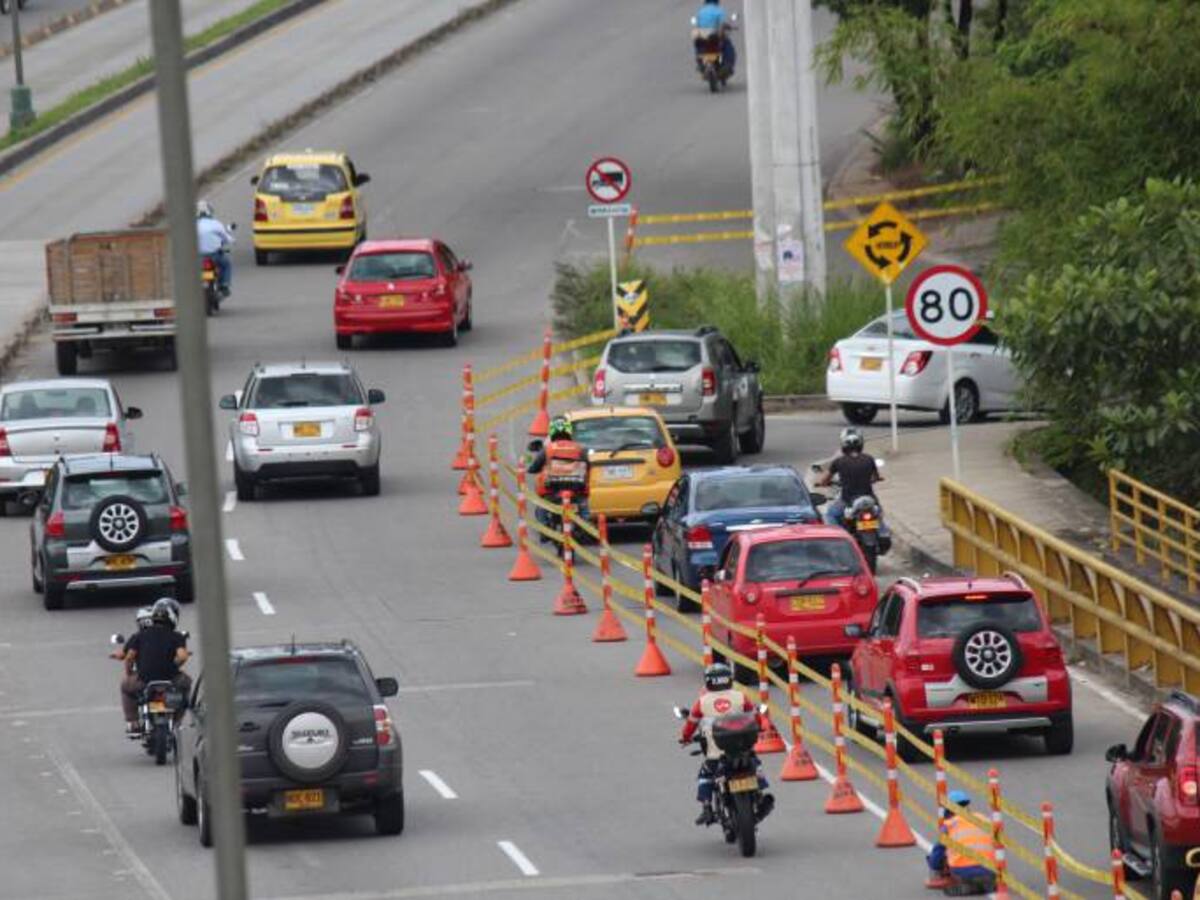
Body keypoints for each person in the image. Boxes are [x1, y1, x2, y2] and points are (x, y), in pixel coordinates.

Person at [679, 663, 773, 826]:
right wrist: (761, 727)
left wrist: (685, 738)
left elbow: (690, 725)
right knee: (755, 764)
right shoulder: (740, 696)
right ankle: (760, 796)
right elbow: (756, 717)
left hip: (716, 753)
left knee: (706, 775)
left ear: (708, 681)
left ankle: (707, 807)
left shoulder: (702, 702)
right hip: (743, 747)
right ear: (729, 679)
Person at [115, 598, 191, 734]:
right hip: (171, 679)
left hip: (144, 680)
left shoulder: (139, 636)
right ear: (173, 618)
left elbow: (129, 657)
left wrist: (129, 673)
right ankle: (177, 721)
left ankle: (133, 722)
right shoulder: (177, 636)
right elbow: (183, 656)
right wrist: (173, 666)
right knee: (186, 685)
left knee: (125, 686)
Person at [926, 790, 997, 896]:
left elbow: (937, 855)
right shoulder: (984, 819)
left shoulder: (949, 824)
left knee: (944, 852)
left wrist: (934, 866)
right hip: (990, 871)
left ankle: (968, 885)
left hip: (963, 871)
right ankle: (985, 885)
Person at [815, 427, 887, 531]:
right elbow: (875, 477)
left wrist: (822, 483)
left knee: (830, 515)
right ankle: (883, 531)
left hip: (847, 499)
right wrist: (874, 479)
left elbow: (824, 480)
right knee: (878, 513)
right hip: (868, 497)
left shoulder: (838, 462)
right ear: (861, 444)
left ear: (843, 445)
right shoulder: (869, 459)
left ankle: (840, 537)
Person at [527, 416, 590, 530]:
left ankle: (545, 529)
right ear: (569, 431)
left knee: (542, 506)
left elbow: (534, 467)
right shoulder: (579, 448)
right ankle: (586, 527)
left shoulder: (548, 448)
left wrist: (531, 469)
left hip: (553, 488)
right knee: (584, 507)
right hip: (576, 488)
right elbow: (588, 465)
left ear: (552, 431)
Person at [196, 199, 235, 297]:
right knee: (226, 265)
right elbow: (226, 237)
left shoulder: (191, 225)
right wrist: (232, 240)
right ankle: (224, 285)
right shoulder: (216, 224)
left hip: (197, 257)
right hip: (214, 255)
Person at [692, 0, 737, 75]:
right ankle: (727, 64)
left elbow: (697, 25)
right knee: (727, 46)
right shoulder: (719, 11)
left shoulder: (701, 12)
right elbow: (723, 24)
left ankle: (700, 63)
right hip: (714, 36)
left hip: (703, 37)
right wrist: (730, 27)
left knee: (698, 45)